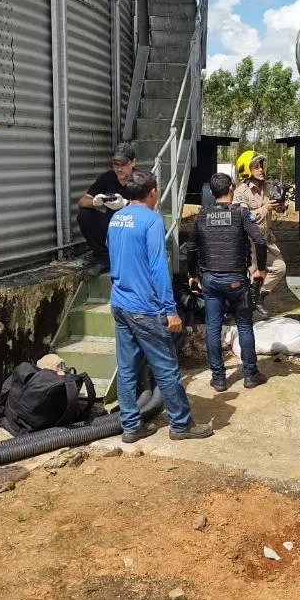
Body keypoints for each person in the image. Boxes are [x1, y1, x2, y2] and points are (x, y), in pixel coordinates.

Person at [106, 170, 214, 443]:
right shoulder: (152, 221)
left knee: (127, 368)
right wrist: (170, 309)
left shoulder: (116, 219)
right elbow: (158, 268)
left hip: (120, 303)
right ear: (153, 192)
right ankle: (181, 424)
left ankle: (131, 426)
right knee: (166, 367)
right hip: (145, 306)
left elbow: (112, 253)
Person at [187, 173, 269, 391]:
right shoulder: (241, 214)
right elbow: (260, 240)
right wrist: (260, 269)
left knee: (213, 328)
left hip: (211, 281)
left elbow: (192, 248)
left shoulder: (201, 216)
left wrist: (191, 274)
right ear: (231, 188)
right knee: (244, 325)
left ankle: (219, 378)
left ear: (212, 194)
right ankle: (250, 375)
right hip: (236, 280)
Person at [233, 151, 288, 309]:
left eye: (261, 166)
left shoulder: (269, 188)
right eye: (256, 167)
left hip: (265, 240)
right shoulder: (240, 192)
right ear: (246, 170)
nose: (261, 170)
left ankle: (258, 296)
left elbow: (279, 210)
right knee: (250, 276)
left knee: (279, 267)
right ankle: (245, 311)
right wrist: (265, 208)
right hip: (249, 243)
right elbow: (244, 218)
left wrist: (281, 205)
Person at [77, 142, 135, 273]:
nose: (119, 169)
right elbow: (82, 201)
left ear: (133, 163)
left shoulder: (139, 179)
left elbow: (149, 207)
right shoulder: (108, 177)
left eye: (124, 165)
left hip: (132, 226)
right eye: (116, 164)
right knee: (84, 215)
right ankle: (104, 259)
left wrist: (126, 204)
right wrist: (97, 202)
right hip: (112, 224)